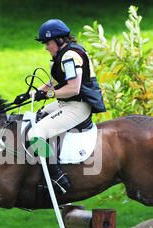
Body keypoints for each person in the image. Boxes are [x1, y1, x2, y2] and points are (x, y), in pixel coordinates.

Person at [14, 19, 106, 194]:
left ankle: (56, 177)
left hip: (78, 107)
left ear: (59, 40)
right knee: (36, 117)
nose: (46, 47)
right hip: (65, 103)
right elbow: (53, 83)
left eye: (48, 43)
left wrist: (47, 95)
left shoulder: (70, 56)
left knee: (35, 133)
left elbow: (73, 88)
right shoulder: (61, 56)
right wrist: (30, 94)